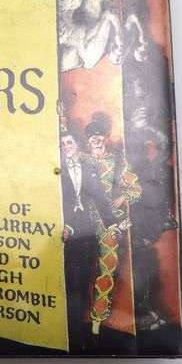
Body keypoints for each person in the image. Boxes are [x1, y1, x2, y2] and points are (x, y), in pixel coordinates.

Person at [60, 129, 119, 350]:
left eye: (69, 142)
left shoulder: (90, 166)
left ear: (77, 143)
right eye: (63, 144)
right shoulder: (55, 168)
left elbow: (101, 197)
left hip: (86, 232)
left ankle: (77, 337)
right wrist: (65, 224)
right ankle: (66, 333)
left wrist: (112, 224)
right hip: (63, 232)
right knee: (68, 283)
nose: (67, 146)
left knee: (84, 281)